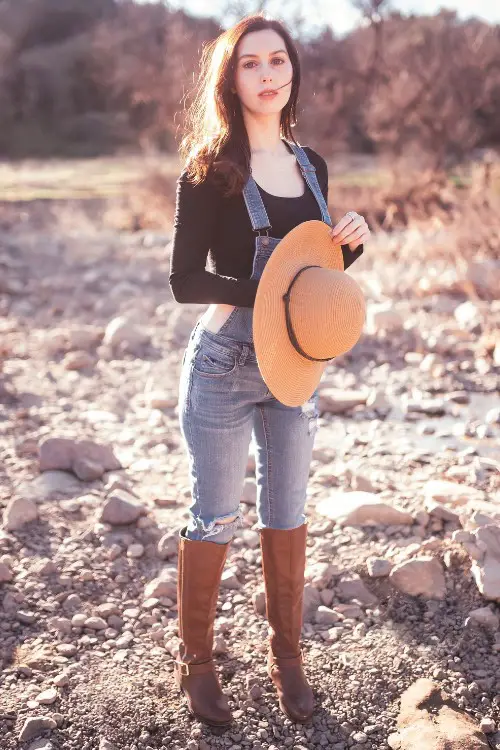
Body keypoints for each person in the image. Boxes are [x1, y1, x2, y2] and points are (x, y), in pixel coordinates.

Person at [168, 12, 371, 728]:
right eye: (250, 64)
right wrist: (268, 297)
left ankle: (288, 657)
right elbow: (185, 280)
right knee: (215, 514)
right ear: (232, 77)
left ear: (292, 71)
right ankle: (197, 662)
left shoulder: (311, 164)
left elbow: (313, 270)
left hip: (296, 366)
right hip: (225, 362)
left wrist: (350, 248)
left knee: (287, 513)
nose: (266, 75)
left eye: (277, 61)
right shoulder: (209, 167)